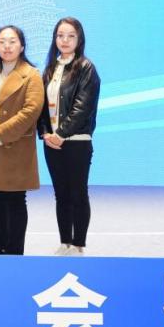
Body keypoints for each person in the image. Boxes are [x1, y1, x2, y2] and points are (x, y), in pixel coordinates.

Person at [0, 25, 44, 255]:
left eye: (12, 41)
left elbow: (31, 111)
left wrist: (0, 135)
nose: (7, 46)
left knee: (15, 200)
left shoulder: (31, 75)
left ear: (22, 46)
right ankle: (0, 248)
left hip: (14, 146)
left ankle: (14, 252)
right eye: (2, 41)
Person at [37, 17, 101, 256]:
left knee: (78, 193)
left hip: (77, 142)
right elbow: (41, 107)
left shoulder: (86, 68)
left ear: (79, 39)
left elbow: (82, 107)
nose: (65, 40)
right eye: (60, 35)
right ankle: (65, 242)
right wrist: (45, 133)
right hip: (51, 143)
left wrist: (61, 134)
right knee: (61, 194)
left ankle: (78, 244)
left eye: (71, 36)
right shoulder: (50, 69)